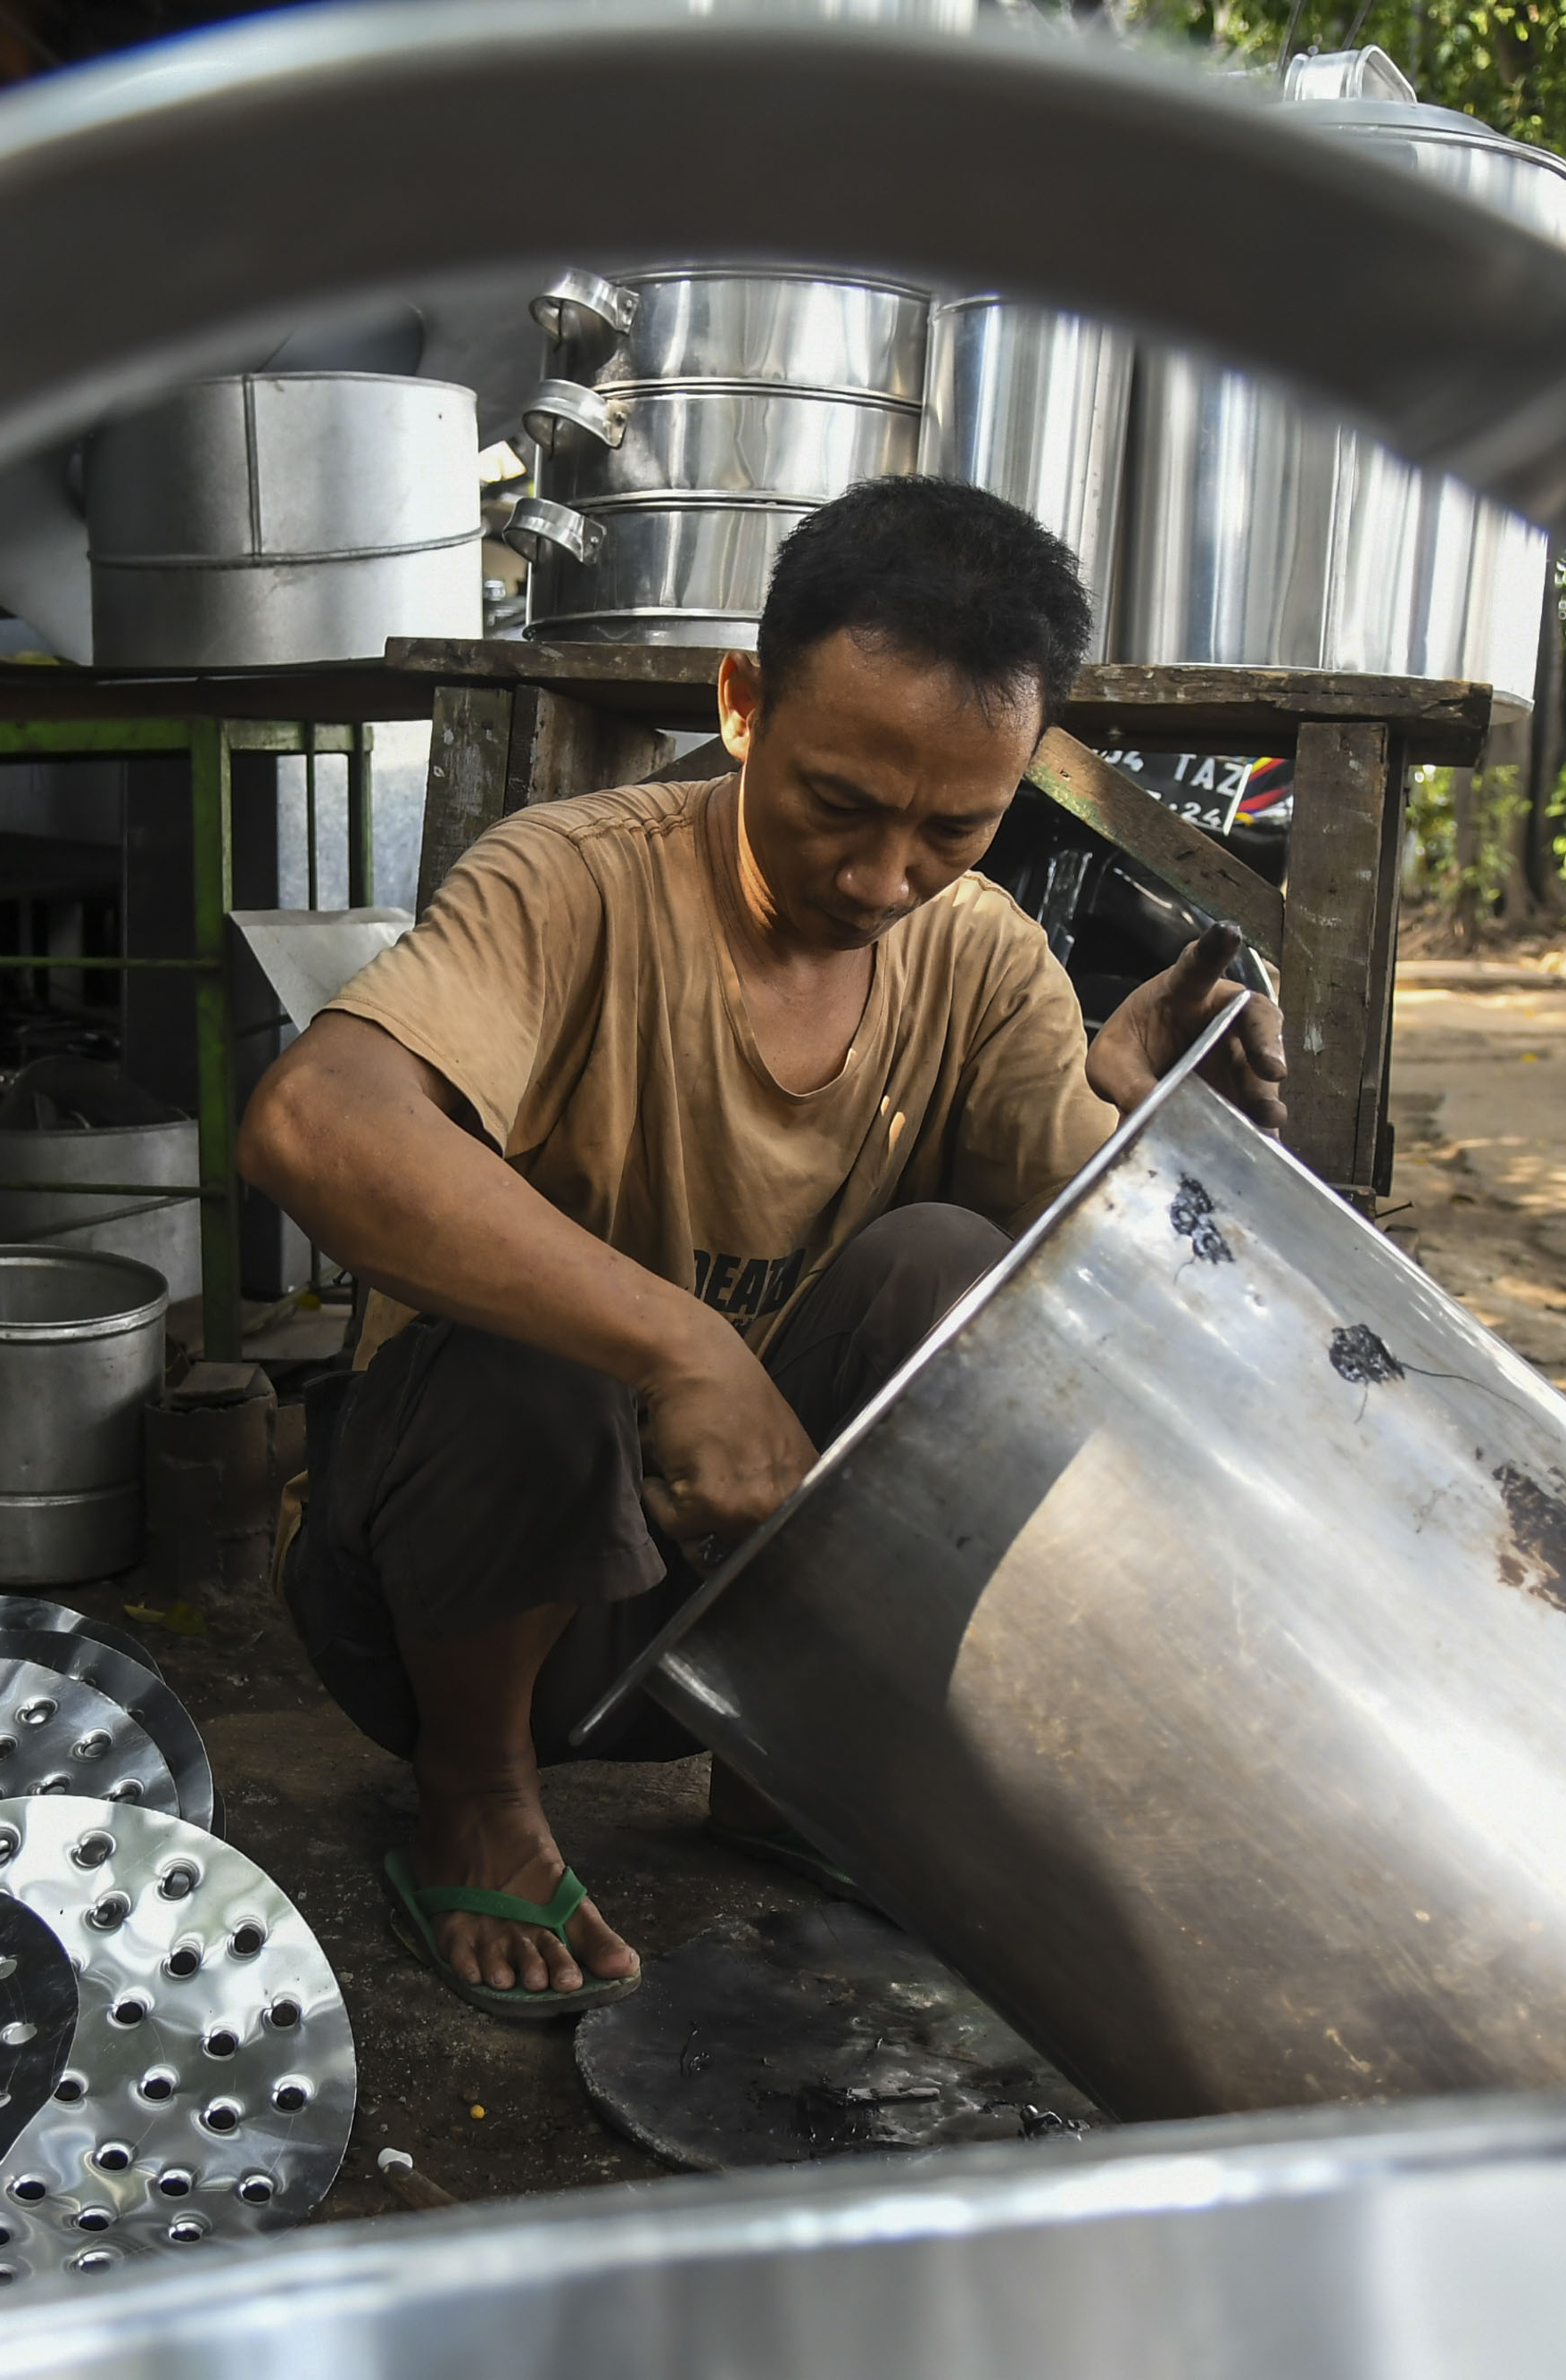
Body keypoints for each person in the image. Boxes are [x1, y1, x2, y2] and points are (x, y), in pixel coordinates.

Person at [240, 477, 1288, 2014]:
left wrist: (1164, 1120)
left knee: (948, 1269)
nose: (882, 879)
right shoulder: (570, 878)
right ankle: (478, 1792)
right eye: (840, 805)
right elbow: (314, 1123)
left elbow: (1120, 1288)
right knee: (545, 1334)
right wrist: (681, 1342)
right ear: (743, 705)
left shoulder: (984, 957)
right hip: (430, 1606)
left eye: (954, 828)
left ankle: (785, 1760)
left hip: (708, 1613)